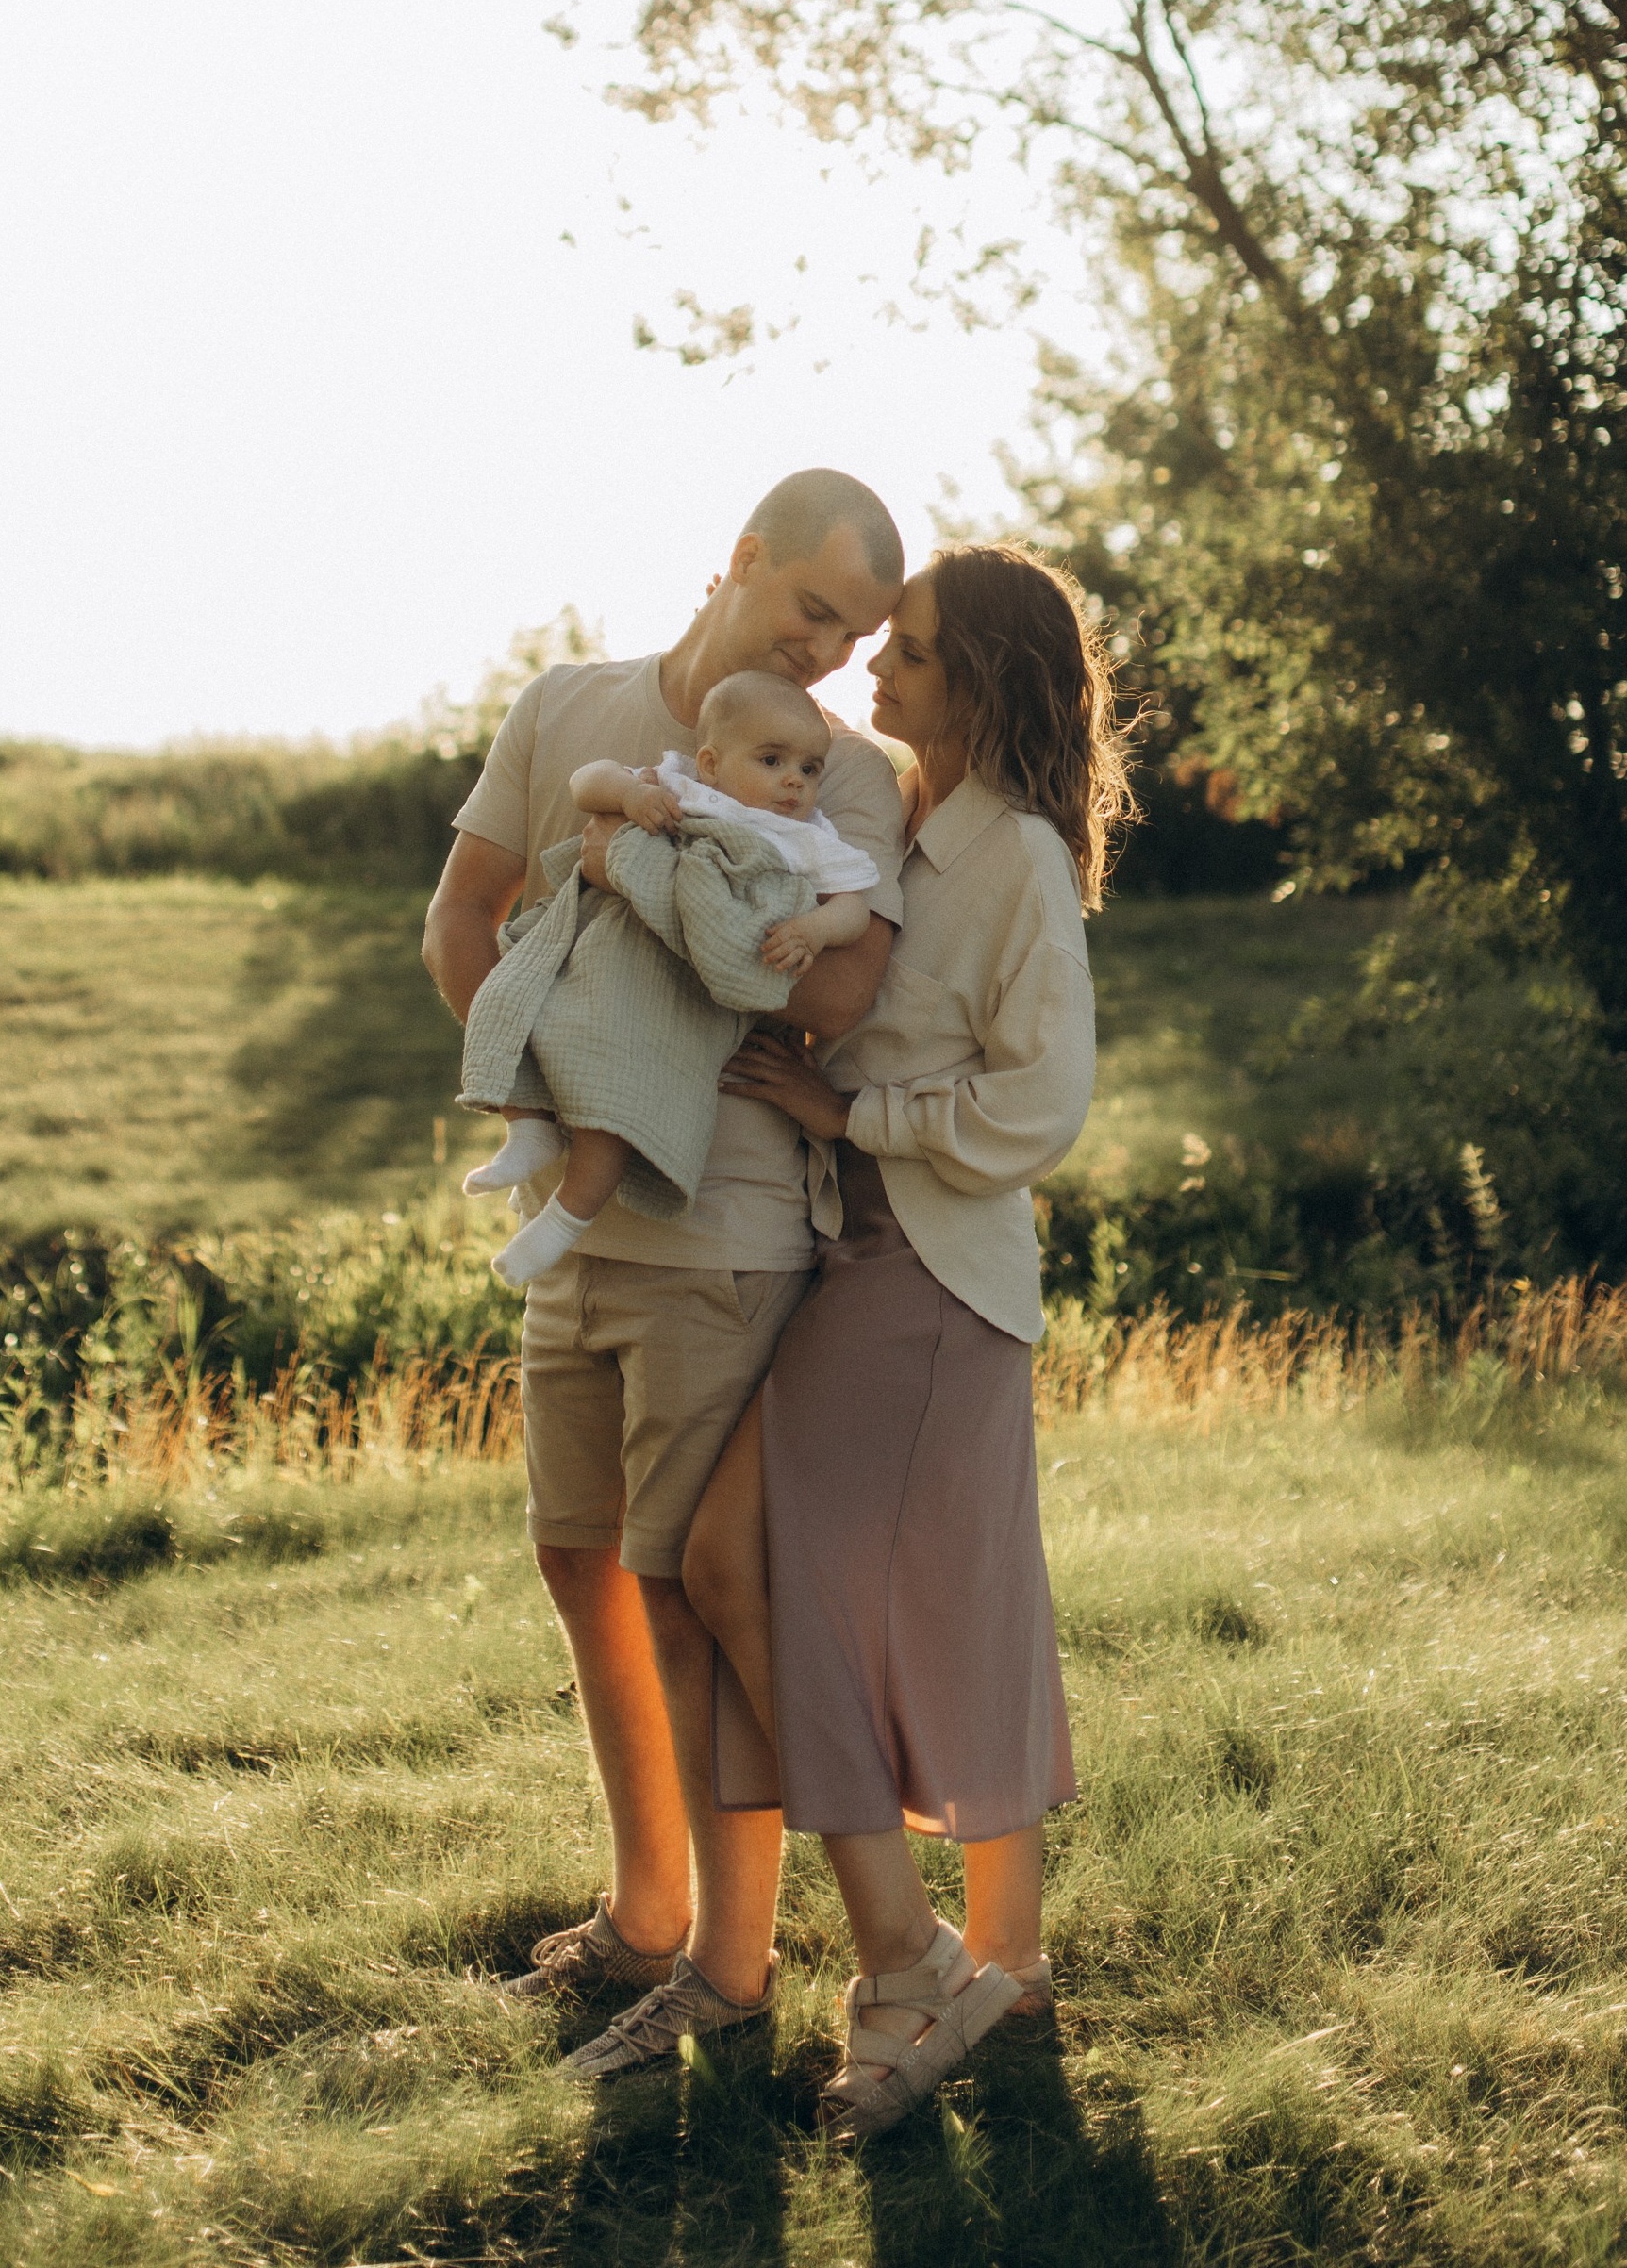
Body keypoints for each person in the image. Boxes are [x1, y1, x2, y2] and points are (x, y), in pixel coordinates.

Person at [421, 471, 905, 2078]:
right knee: (579, 1561)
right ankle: (643, 1909)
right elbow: (463, 916)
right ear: (743, 557)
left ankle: (732, 1958)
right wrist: (562, 1085)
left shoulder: (846, 772)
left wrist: (694, 961)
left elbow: (837, 992)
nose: (831, 656)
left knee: (689, 1586)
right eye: (814, 609)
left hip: (727, 1223)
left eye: (859, 633)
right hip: (581, 1204)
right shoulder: (572, 707)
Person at [681, 541, 1133, 2135]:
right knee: (937, 1595)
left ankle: (912, 1961)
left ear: (985, 680)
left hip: (932, 1275)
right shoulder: (894, 817)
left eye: (912, 651)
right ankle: (974, 1952)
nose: (874, 673)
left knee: (750, 1561)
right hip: (860, 1251)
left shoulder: (1006, 854)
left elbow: (1042, 1099)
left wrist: (859, 1107)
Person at [460, 672, 883, 1287]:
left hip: (680, 987)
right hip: (604, 947)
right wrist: (631, 799)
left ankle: (563, 1220)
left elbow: (855, 909)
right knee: (513, 997)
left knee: (619, 1097)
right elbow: (590, 781)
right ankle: (526, 1128)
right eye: (772, 760)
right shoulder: (680, 785)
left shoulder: (806, 838)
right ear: (710, 763)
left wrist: (815, 929)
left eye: (811, 768)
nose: (795, 780)